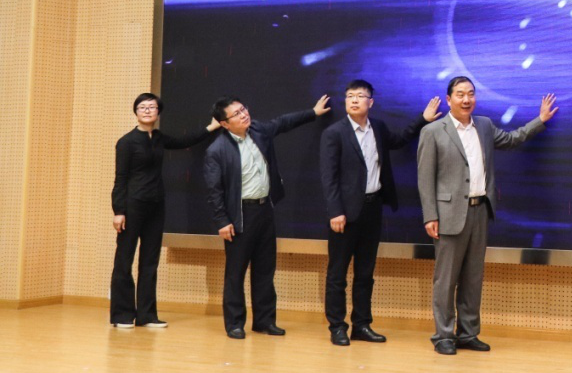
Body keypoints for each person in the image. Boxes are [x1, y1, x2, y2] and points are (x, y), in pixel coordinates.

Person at [417, 76, 557, 355]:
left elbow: (512, 139)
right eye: (460, 94)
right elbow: (425, 178)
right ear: (449, 99)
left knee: (473, 277)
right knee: (446, 279)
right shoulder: (433, 131)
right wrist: (430, 215)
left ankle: (468, 333)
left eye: (470, 93)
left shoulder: (483, 125)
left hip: (480, 210)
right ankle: (443, 336)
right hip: (447, 215)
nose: (466, 99)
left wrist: (539, 120)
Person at [319, 80, 441, 346]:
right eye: (350, 96)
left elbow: (399, 140)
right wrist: (335, 211)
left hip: (373, 208)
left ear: (370, 102)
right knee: (337, 274)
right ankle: (337, 327)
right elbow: (329, 177)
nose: (354, 100)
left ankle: (362, 325)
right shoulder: (334, 133)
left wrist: (422, 119)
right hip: (344, 214)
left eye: (360, 96)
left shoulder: (379, 128)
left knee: (365, 272)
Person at [204, 94, 331, 339]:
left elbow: (283, 122)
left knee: (265, 270)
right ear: (225, 124)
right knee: (235, 273)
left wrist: (313, 112)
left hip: (264, 210)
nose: (244, 115)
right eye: (237, 114)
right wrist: (222, 221)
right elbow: (214, 190)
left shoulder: (258, 130)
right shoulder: (217, 150)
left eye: (243, 109)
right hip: (239, 215)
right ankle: (235, 323)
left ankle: (264, 321)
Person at [110, 93, 218, 329]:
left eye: (152, 107)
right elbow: (120, 179)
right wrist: (119, 211)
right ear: (136, 112)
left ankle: (147, 315)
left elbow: (184, 141)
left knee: (150, 261)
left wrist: (211, 127)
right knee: (124, 260)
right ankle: (122, 315)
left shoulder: (158, 138)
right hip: (132, 206)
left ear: (158, 112)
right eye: (142, 107)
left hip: (156, 205)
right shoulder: (126, 142)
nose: (147, 110)